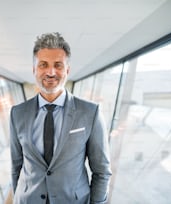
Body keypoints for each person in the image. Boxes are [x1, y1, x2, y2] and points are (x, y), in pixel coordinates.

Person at [9, 32, 112, 204]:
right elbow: (16, 167)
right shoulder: (17, 113)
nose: (51, 72)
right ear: (34, 69)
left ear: (67, 70)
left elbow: (101, 171)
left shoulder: (90, 112)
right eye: (43, 65)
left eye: (58, 65)